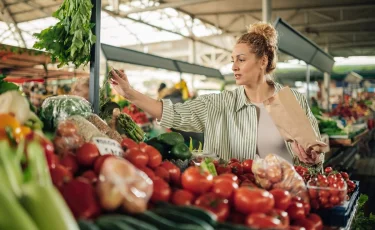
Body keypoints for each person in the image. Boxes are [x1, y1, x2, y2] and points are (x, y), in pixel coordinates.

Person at [109, 22, 325, 168]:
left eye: (241, 59)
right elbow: (172, 112)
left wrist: (313, 156)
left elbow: (314, 152)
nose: (234, 67)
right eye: (232, 60)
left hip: (285, 202)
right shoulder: (220, 103)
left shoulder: (292, 101)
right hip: (235, 198)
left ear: (263, 61)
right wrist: (129, 93)